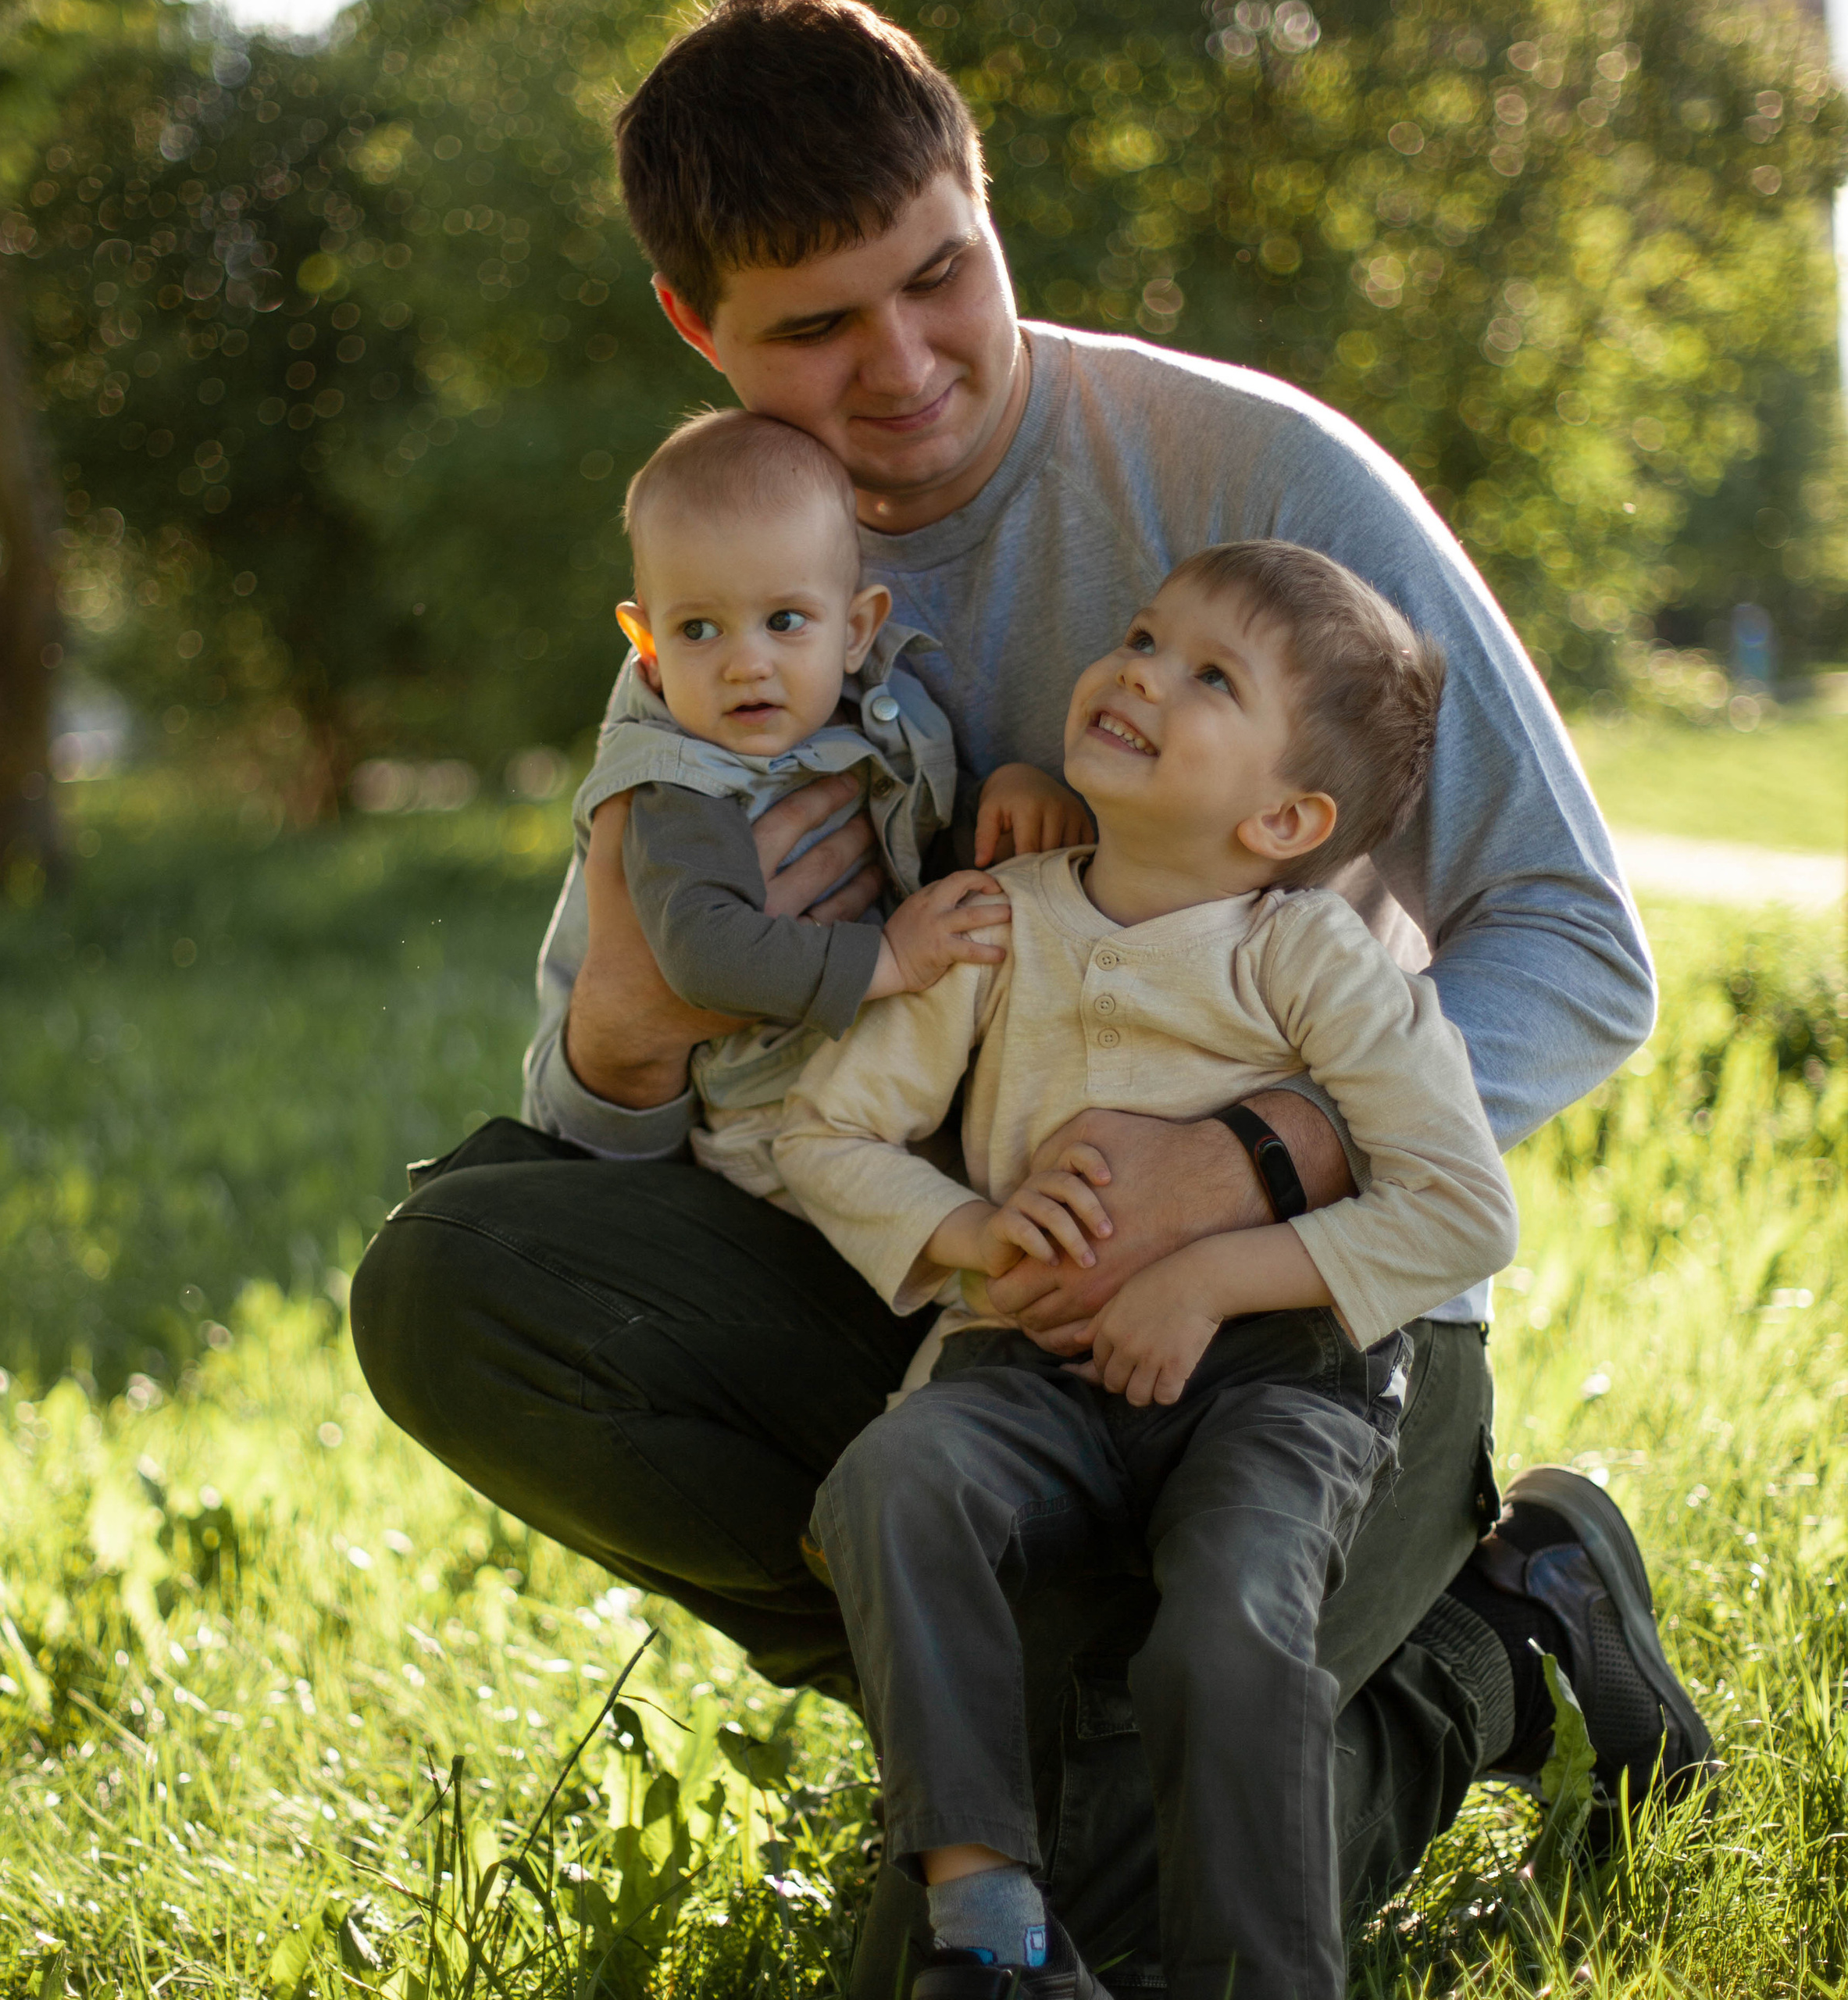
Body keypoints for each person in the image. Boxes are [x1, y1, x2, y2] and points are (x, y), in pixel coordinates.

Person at [348, 2, 1711, 1987]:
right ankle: (1039, 1718)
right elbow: (616, 1132)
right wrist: (628, 1037)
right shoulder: (735, 597)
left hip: (1301, 1332)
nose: (900, 368)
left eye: (937, 274)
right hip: (966, 1310)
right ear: (693, 328)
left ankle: (1493, 1642)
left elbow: (1576, 944)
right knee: (454, 1279)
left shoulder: (1247, 475)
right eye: (813, 328)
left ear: (984, 202)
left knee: (1112, 1925)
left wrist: (1245, 1158)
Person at [782, 542, 1521, 1999]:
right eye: (1139, 635)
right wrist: (975, 1233)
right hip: (1027, 1367)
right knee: (892, 1481)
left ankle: (1260, 1980)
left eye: (1209, 676)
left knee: (1228, 1633)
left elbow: (1461, 1208)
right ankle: (988, 1924)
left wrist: (1214, 1279)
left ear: (1288, 817)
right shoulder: (1005, 922)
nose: (1138, 672)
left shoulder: (1308, 961)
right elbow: (830, 1126)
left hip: (1274, 1384)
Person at [572, 405, 1088, 1205]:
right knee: (938, 1251)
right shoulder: (680, 784)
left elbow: (916, 843)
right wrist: (891, 960)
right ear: (647, 645)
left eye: (784, 621)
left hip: (902, 1066)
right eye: (698, 629)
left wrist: (1003, 801)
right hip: (782, 1118)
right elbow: (704, 955)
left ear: (854, 630)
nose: (746, 663)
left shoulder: (868, 711)